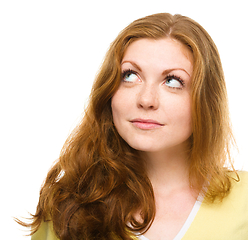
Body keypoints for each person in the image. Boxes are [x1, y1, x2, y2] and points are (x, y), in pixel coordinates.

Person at [18, 13, 248, 240]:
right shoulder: (67, 205)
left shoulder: (244, 202)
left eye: (173, 81)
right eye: (130, 75)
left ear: (206, 100)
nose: (146, 100)